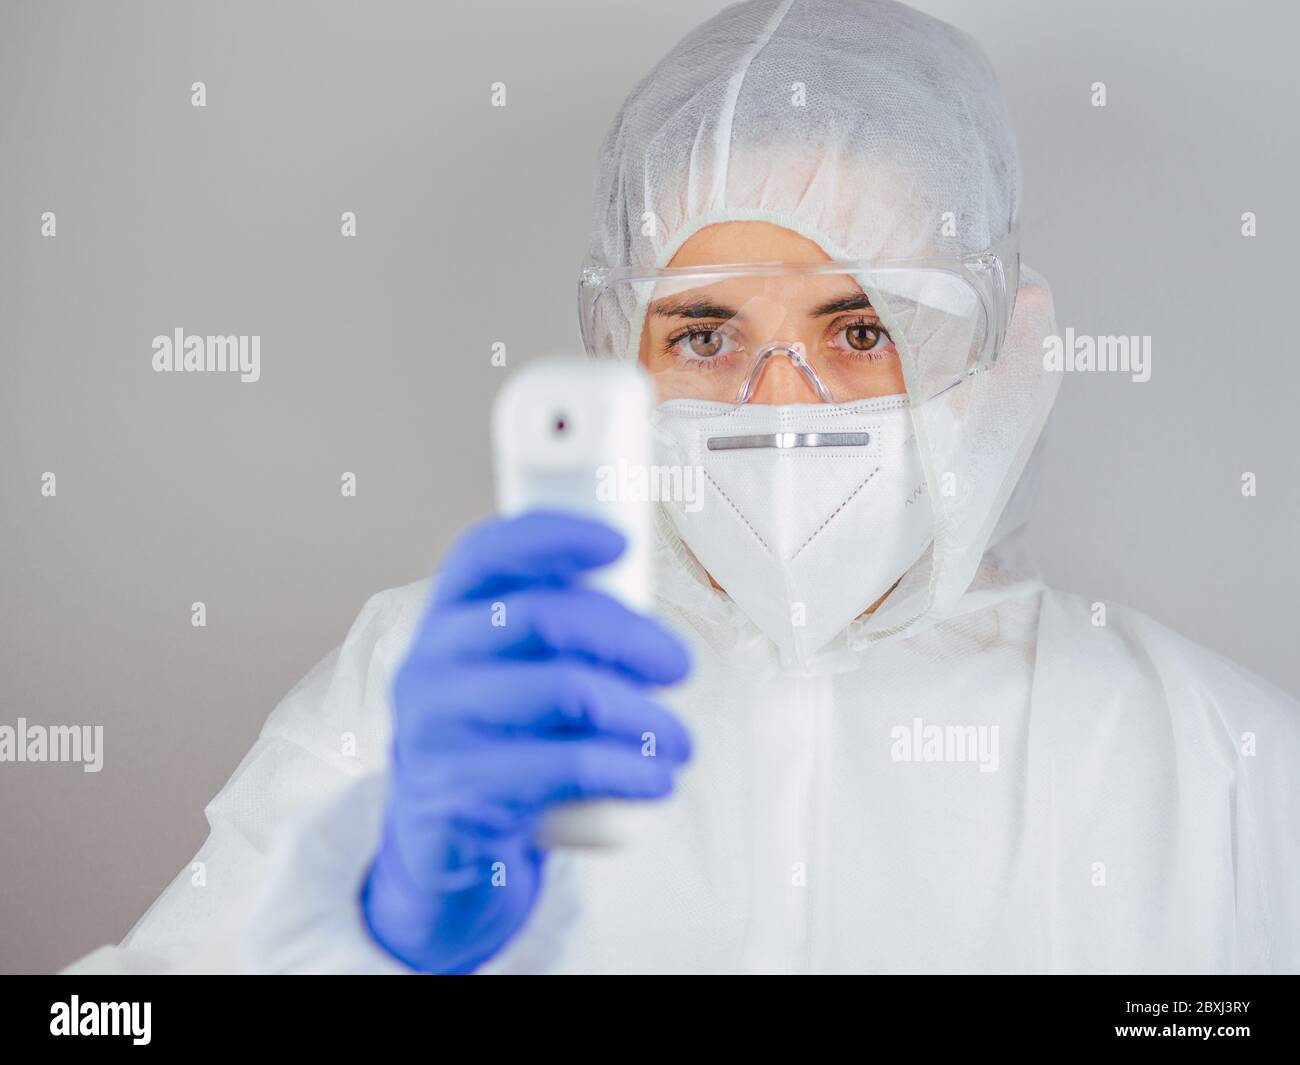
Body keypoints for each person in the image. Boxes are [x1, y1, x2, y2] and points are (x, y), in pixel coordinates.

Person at [70, 0, 1299, 975]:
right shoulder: (440, 684)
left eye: (860, 328)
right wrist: (371, 942)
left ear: (1000, 355)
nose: (779, 405)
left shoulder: (1213, 764)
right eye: (705, 336)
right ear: (620, 356)